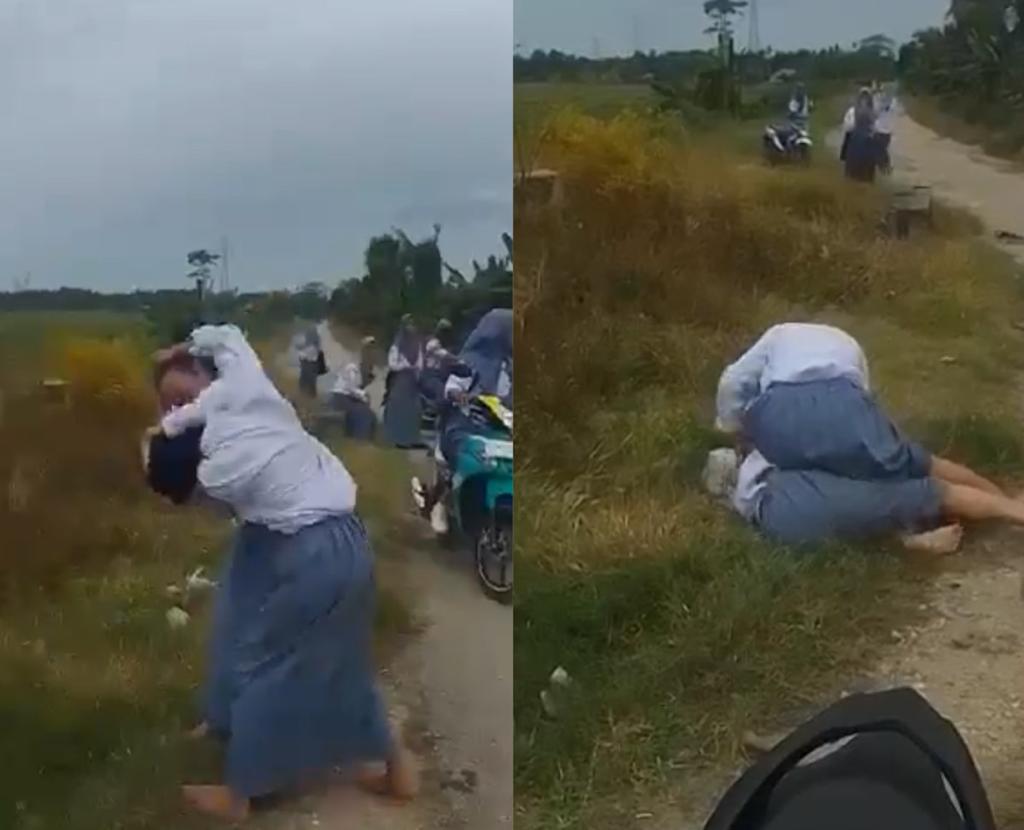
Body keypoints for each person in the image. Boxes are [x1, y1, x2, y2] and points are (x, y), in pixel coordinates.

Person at [147, 324, 417, 821]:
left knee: (261, 661)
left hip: (311, 549)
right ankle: (225, 719)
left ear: (209, 382)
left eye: (182, 398)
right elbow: (225, 339)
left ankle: (240, 793)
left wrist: (163, 449)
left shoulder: (227, 444)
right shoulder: (253, 398)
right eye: (166, 405)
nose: (176, 413)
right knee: (240, 615)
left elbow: (196, 485)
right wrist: (182, 355)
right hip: (319, 537)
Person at [715, 322, 1024, 548]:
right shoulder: (847, 347)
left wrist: (732, 425)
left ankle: (988, 511)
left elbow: (733, 381)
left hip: (778, 417)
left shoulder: (777, 335)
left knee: (870, 497)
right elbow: (862, 404)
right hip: (843, 405)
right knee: (906, 467)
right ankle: (1005, 503)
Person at [412, 309, 513, 533]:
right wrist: (458, 396)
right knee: (460, 458)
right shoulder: (470, 361)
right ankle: (438, 500)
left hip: (501, 431)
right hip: (465, 425)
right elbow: (452, 387)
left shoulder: (511, 366)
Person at [382, 315, 424, 448]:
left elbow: (420, 362)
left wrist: (417, 369)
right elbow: (392, 364)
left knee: (414, 409)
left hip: (413, 381)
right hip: (400, 380)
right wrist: (405, 366)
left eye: (413, 324)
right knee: (398, 408)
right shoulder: (397, 346)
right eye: (409, 325)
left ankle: (411, 439)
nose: (411, 327)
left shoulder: (417, 345)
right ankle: (397, 439)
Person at [330, 361, 377, 440]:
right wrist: (362, 394)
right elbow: (349, 388)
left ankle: (354, 436)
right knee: (363, 413)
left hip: (343, 396)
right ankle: (360, 438)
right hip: (340, 397)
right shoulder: (353, 369)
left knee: (363, 410)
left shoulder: (355, 373)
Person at [296, 325, 321, 399]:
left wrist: (300, 350)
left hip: (309, 364)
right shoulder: (315, 344)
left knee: (305, 384)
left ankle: (306, 398)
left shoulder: (311, 346)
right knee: (311, 385)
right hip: (313, 365)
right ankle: (310, 398)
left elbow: (303, 355)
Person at [874, 88, 895, 174]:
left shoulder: (879, 105)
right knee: (883, 150)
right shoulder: (891, 106)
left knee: (880, 151)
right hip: (886, 132)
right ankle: (886, 168)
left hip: (880, 132)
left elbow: (875, 113)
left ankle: (884, 168)